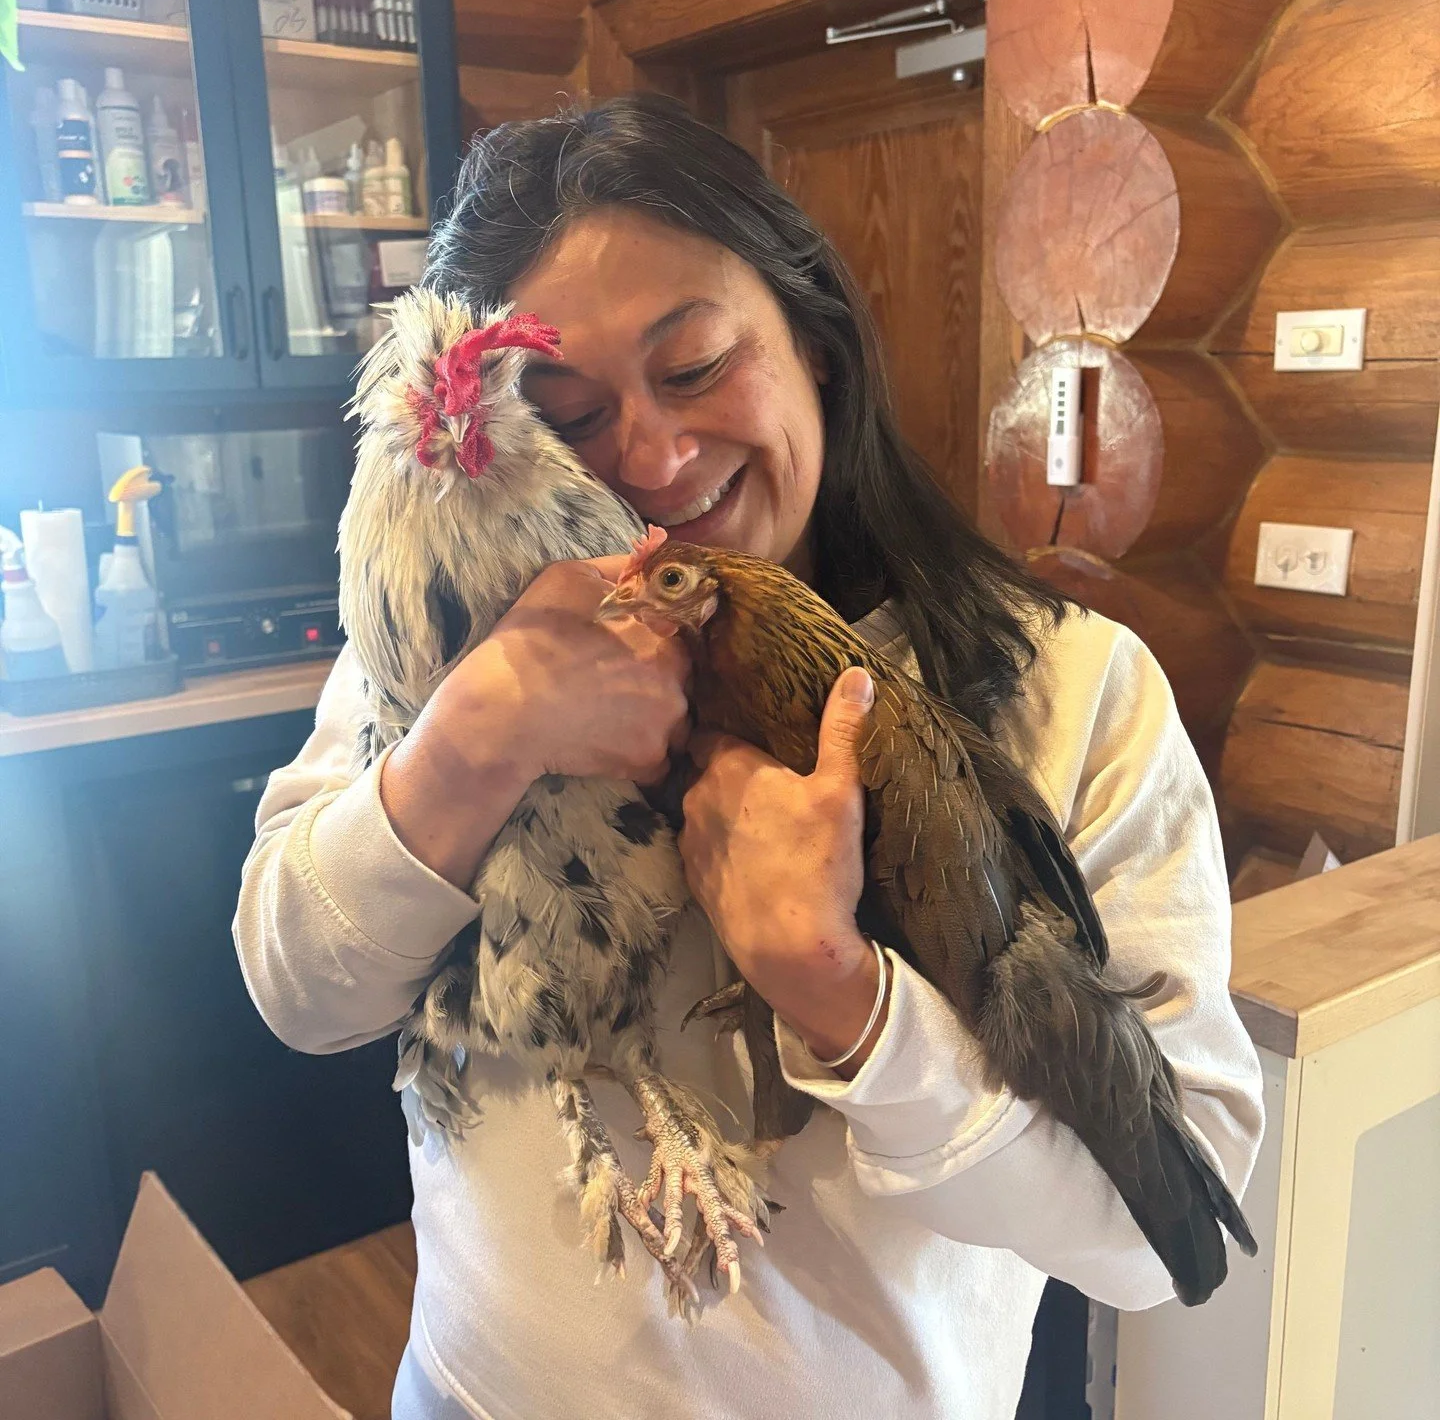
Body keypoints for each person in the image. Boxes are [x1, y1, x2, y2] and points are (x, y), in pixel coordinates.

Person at [234, 95, 1264, 1420]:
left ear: (817, 343)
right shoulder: (459, 648)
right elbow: (295, 993)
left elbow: (1153, 1240)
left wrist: (854, 1006)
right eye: (571, 413)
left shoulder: (1074, 694)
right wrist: (473, 741)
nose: (653, 460)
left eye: (698, 365)